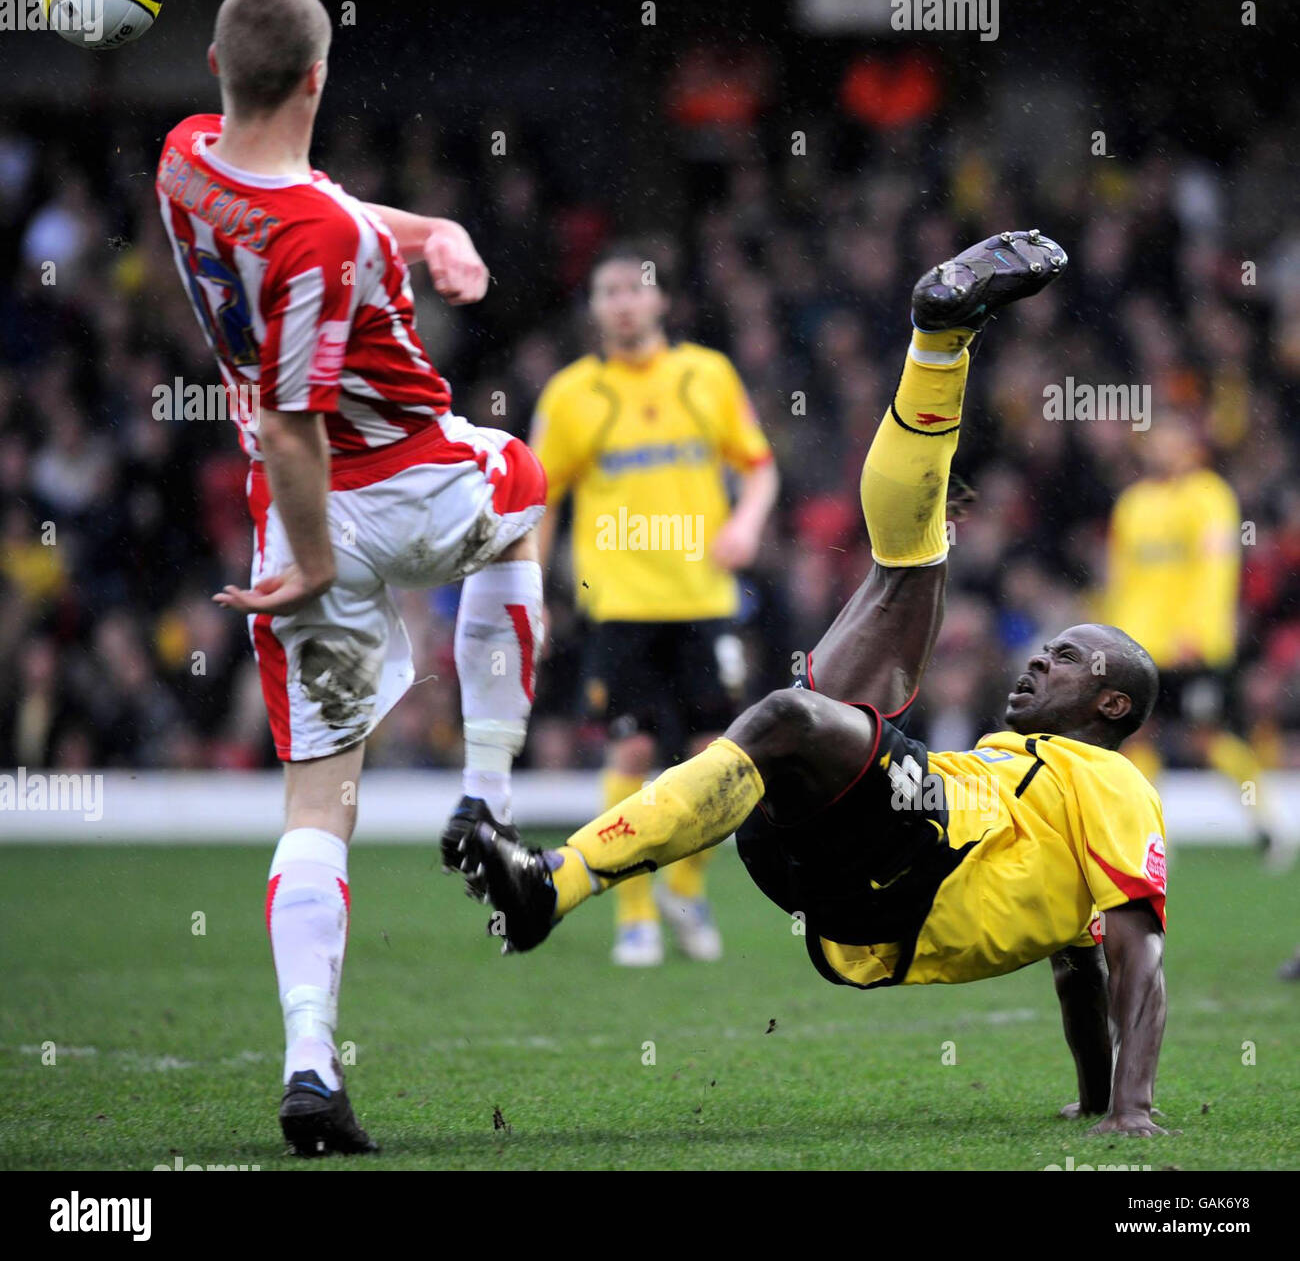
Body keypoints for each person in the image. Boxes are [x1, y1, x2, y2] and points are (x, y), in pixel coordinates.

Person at [463, 231, 1172, 1137]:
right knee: (900, 573)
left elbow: (1128, 954)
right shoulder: (1028, 767)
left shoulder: (1113, 783)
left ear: (1113, 706)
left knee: (805, 697)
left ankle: (559, 884)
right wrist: (1094, 1092)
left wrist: (1132, 1108)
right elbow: (1078, 965)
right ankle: (938, 342)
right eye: (1048, 648)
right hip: (859, 860)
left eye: (1070, 659)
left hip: (914, 868)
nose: (1039, 658)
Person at [157, 0, 547, 1155]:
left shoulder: (182, 159)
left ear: (220, 59)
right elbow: (293, 420)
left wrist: (429, 233)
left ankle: (310, 1064)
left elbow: (312, 205)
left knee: (318, 804)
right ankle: (488, 790)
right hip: (389, 489)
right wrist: (324, 562)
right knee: (521, 487)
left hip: (289, 519)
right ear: (319, 79)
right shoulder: (321, 236)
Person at [530, 244, 777, 965]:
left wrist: (746, 523)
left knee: (713, 757)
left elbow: (760, 469)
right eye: (608, 292)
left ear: (661, 301)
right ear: (595, 310)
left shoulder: (708, 374)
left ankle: (685, 886)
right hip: (622, 602)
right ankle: (633, 913)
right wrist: (533, 591)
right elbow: (539, 501)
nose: (624, 303)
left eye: (635, 289)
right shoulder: (571, 395)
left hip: (704, 595)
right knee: (633, 747)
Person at [1105, 418, 1291, 868]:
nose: (1162, 450)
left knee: (1208, 738)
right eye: (1157, 442)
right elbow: (1120, 578)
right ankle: (1148, 834)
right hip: (1141, 646)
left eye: (1173, 441)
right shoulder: (1133, 503)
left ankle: (1268, 826)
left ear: (1193, 447)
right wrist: (1113, 634)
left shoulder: (1210, 497)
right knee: (1138, 737)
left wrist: (1198, 632)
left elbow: (1217, 570)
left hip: (1193, 647)